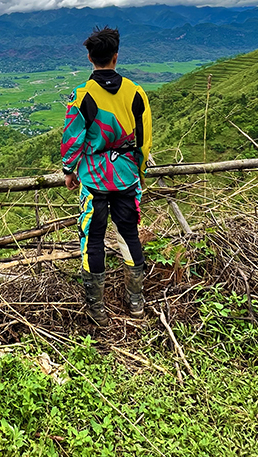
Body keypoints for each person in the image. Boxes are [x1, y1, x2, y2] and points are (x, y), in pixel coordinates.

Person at [61, 26, 152, 325]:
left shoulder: (82, 94)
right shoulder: (136, 92)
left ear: (90, 57)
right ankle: (136, 301)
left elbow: (73, 136)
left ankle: (97, 308)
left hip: (94, 177)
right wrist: (138, 171)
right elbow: (145, 138)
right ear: (116, 56)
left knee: (93, 239)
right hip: (127, 175)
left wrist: (69, 170)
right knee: (129, 235)